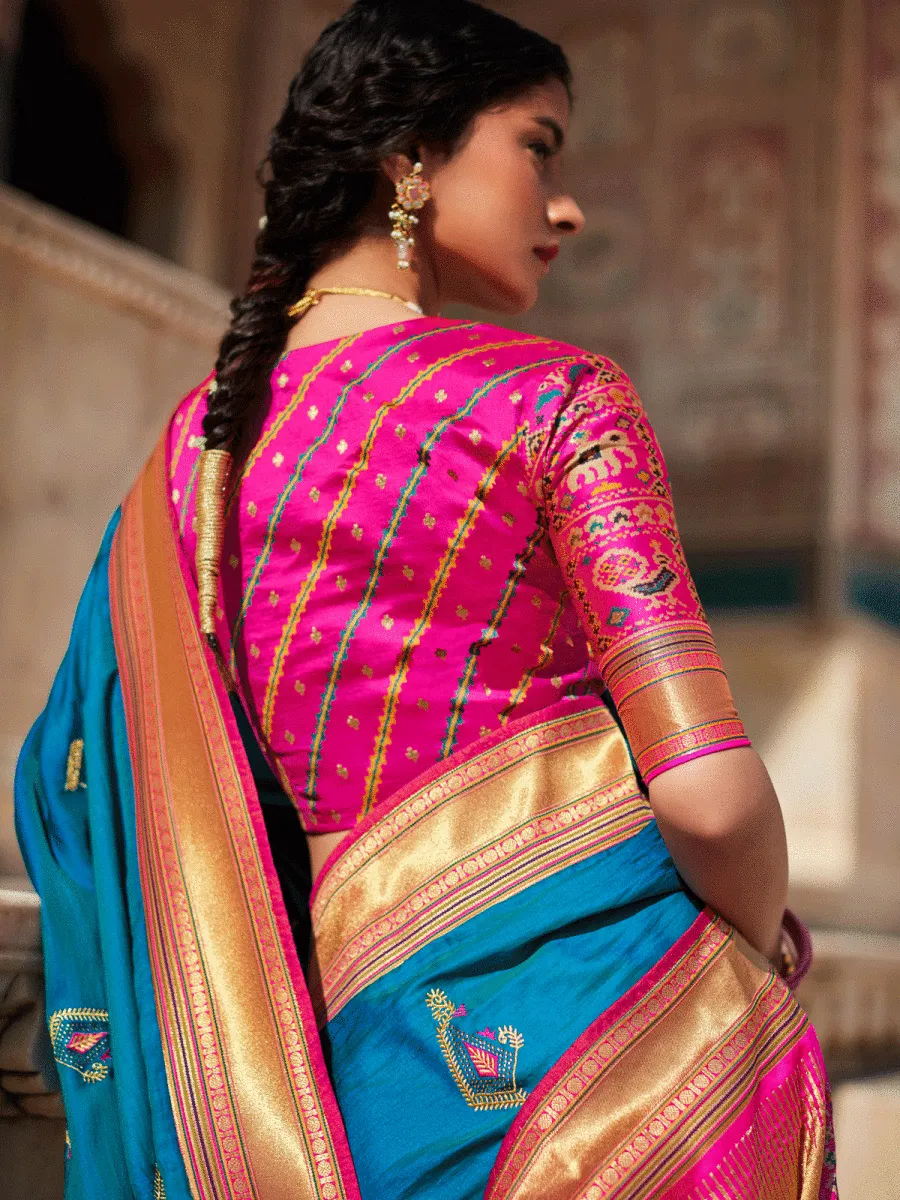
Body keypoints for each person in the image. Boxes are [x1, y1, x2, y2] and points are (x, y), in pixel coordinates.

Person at [15, 2, 836, 1197]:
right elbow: (711, 804)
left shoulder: (196, 456)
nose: (567, 205)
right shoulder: (560, 401)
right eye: (538, 145)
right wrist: (745, 963)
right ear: (409, 161)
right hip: (613, 1067)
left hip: (346, 1095)